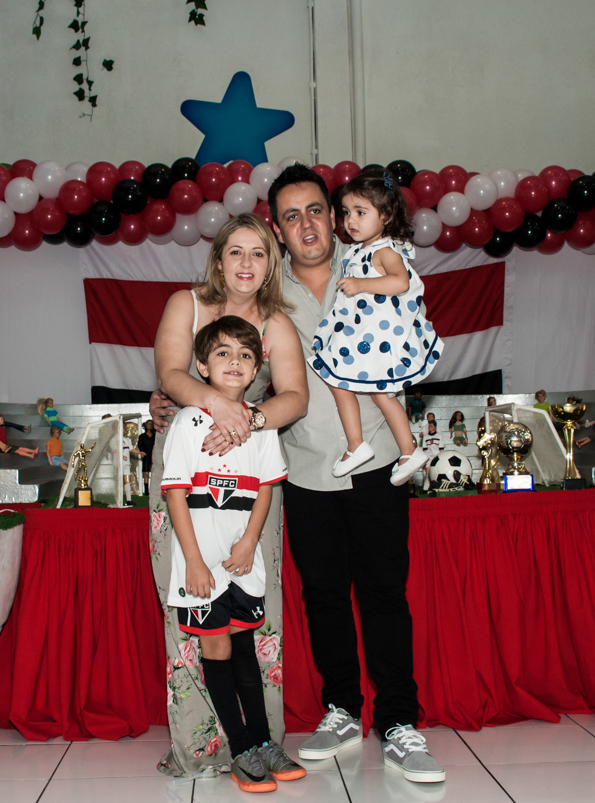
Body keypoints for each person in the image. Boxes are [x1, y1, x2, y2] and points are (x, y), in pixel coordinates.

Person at [269, 164, 444, 781]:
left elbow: (409, 324)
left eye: (315, 209)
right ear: (278, 228)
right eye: (292, 215)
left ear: (335, 212)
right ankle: (341, 709)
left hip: (377, 462)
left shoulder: (373, 258)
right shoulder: (265, 290)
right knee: (322, 596)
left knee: (383, 593)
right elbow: (231, 360)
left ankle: (399, 721)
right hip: (306, 466)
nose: (307, 224)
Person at [149, 212, 309, 779]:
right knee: (193, 605)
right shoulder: (185, 305)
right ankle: (204, 747)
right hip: (186, 474)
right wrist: (219, 406)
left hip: (252, 479)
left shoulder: (277, 324)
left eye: (259, 254)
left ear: (272, 265)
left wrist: (251, 419)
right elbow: (171, 374)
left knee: (249, 620)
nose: (246, 264)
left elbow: (296, 397)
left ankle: (260, 742)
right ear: (218, 258)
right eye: (235, 252)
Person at [312, 168, 442, 485]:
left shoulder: (384, 250)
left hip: (376, 337)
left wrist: (361, 283)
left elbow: (400, 281)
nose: (350, 221)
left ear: (385, 215)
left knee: (365, 390)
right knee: (345, 384)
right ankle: (376, 447)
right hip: (361, 331)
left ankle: (395, 449)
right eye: (346, 213)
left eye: (360, 212)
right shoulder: (360, 249)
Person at [420, 420, 443, 492]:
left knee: (437, 473)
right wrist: (424, 461)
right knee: (427, 473)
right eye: (429, 425)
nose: (430, 427)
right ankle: (425, 488)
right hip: (429, 458)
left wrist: (441, 458)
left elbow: (441, 448)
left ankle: (437, 487)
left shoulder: (439, 436)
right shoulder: (426, 436)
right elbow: (424, 449)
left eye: (432, 425)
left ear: (435, 426)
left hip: (437, 457)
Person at [137, 420, 155, 493]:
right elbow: (140, 445)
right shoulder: (142, 436)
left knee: (154, 472)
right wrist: (141, 452)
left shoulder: (155, 436)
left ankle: (153, 488)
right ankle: (146, 489)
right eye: (148, 424)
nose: (150, 425)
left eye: (151, 424)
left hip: (154, 455)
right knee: (146, 472)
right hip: (146, 455)